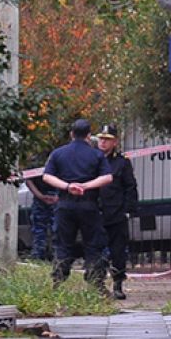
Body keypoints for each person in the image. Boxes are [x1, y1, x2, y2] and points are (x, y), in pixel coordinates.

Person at [43, 119, 113, 292]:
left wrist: (68, 187)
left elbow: (47, 177)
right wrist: (85, 186)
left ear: (71, 134)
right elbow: (107, 177)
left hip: (65, 204)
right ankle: (96, 283)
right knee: (93, 244)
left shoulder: (58, 153)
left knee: (63, 244)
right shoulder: (96, 155)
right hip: (89, 205)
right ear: (89, 136)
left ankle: (57, 283)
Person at [95, 124, 138, 300]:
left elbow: (130, 187)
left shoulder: (122, 162)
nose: (103, 142)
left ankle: (118, 285)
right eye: (101, 139)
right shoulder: (93, 160)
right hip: (96, 214)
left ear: (115, 142)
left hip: (116, 214)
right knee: (96, 251)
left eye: (107, 140)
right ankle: (97, 285)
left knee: (118, 252)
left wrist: (128, 210)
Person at [25, 171, 59, 260]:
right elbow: (28, 179)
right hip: (45, 197)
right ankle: (52, 256)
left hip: (49, 197)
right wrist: (40, 196)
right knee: (42, 229)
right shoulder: (61, 158)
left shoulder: (36, 160)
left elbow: (28, 180)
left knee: (55, 229)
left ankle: (46, 255)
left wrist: (40, 196)